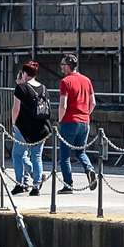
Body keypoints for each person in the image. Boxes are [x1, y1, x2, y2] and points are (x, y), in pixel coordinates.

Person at [55, 53, 99, 193]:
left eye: (62, 65)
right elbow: (93, 103)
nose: (61, 67)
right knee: (81, 152)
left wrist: (60, 120)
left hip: (69, 121)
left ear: (68, 66)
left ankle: (68, 184)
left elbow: (63, 105)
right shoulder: (87, 80)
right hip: (85, 121)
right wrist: (86, 114)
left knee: (65, 156)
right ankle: (90, 169)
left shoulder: (65, 82)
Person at [9, 62, 52, 196]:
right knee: (36, 156)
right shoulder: (44, 88)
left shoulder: (21, 88)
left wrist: (14, 124)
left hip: (24, 128)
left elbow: (16, 108)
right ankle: (36, 186)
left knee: (17, 154)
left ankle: (20, 183)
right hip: (42, 128)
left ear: (24, 73)